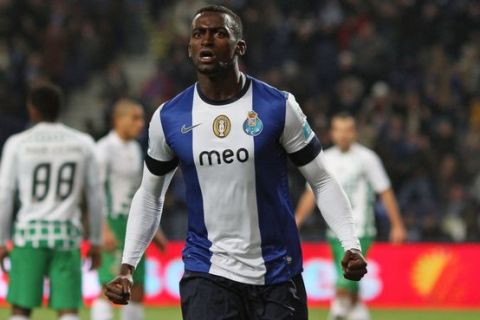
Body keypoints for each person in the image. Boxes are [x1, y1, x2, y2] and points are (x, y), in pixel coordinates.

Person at [105, 5, 367, 320]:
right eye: (198, 34)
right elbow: (149, 194)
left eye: (219, 33)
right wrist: (127, 266)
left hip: (278, 274)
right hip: (207, 272)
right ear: (189, 47)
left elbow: (322, 180)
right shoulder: (169, 118)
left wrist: (351, 244)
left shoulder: (278, 107)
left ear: (239, 46)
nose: (206, 41)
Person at [0, 83, 103, 320]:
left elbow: (4, 196)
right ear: (60, 107)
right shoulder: (83, 142)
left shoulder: (18, 143)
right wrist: (95, 241)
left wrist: (2, 241)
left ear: (32, 109)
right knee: (67, 310)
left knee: (21, 309)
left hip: (29, 235)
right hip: (67, 236)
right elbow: (96, 196)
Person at [295, 112, 406, 320]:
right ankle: (357, 311)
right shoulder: (324, 159)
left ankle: (338, 310)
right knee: (348, 275)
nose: (343, 135)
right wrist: (297, 220)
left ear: (354, 133)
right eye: (339, 130)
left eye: (348, 130)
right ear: (332, 133)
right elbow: (311, 194)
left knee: (347, 273)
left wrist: (397, 224)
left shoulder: (368, 159)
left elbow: (385, 191)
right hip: (333, 229)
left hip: (361, 228)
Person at [91, 99, 168, 320]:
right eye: (134, 118)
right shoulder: (103, 149)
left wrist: (156, 231)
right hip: (112, 223)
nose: (140, 123)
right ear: (118, 120)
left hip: (133, 224)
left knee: (137, 287)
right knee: (110, 285)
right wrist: (102, 229)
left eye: (141, 118)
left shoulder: (135, 148)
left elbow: (141, 194)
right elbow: (95, 192)